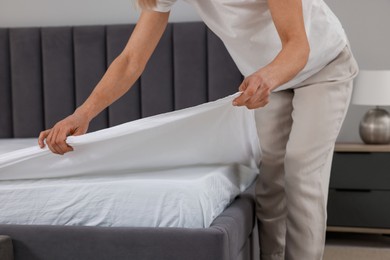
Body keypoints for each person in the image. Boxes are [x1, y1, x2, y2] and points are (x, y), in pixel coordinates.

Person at [38, 0, 359, 259]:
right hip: (270, 78)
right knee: (271, 178)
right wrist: (83, 112)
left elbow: (297, 46)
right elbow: (131, 60)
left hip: (322, 66)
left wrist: (267, 78)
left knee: (301, 170)